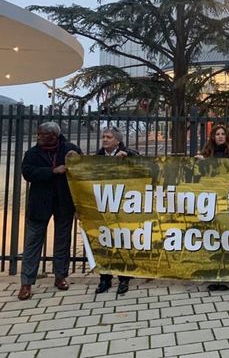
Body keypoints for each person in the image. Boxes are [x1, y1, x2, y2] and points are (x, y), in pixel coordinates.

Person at [18, 122, 82, 301]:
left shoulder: (69, 148)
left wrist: (76, 160)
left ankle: (60, 276)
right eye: (38, 134)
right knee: (33, 243)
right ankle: (26, 283)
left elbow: (81, 169)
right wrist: (52, 171)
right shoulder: (32, 153)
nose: (38, 137)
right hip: (39, 204)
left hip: (64, 202)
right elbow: (28, 173)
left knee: (62, 240)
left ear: (53, 135)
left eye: (42, 134)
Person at [196, 124, 229, 291]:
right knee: (212, 236)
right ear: (212, 136)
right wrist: (200, 161)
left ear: (227, 136)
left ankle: (226, 277)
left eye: (222, 134)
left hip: (228, 196)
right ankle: (213, 275)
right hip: (211, 197)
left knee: (227, 235)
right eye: (217, 134)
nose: (219, 136)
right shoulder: (207, 151)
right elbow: (198, 172)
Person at [95, 127, 139, 295]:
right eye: (103, 137)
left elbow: (145, 169)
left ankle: (124, 279)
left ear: (118, 141)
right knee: (104, 242)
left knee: (123, 242)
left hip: (124, 205)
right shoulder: (97, 157)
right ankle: (104, 279)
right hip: (103, 205)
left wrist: (129, 160)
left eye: (109, 137)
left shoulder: (130, 153)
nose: (105, 140)